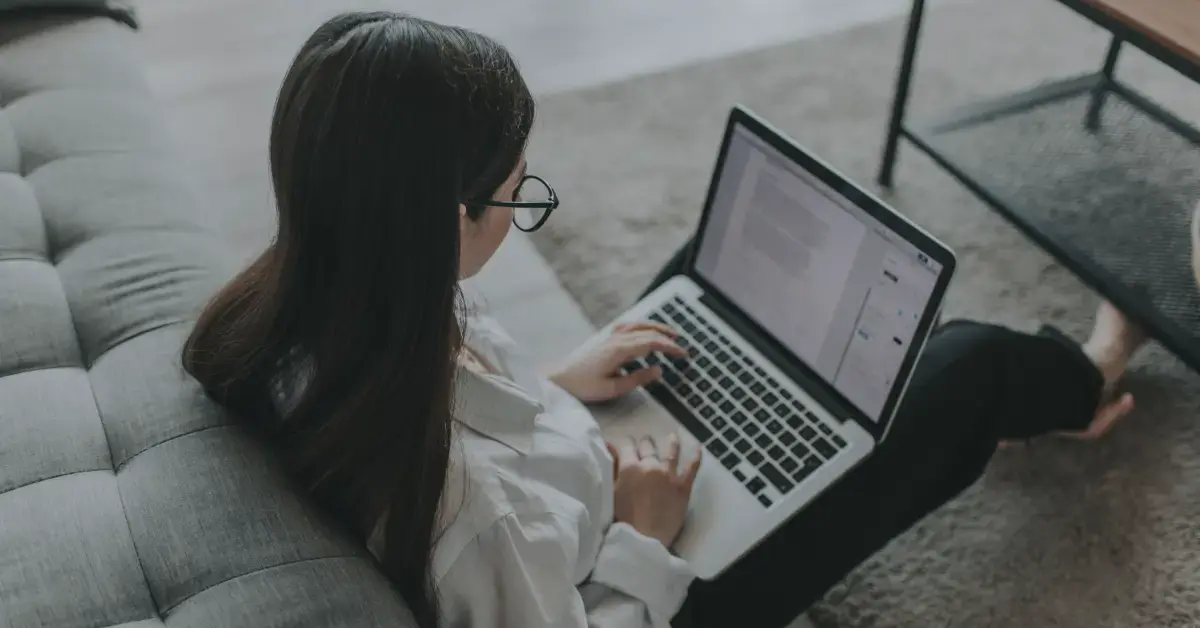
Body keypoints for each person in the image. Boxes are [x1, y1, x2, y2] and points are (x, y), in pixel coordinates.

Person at [181, 12, 1148, 628]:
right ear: (445, 221)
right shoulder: (475, 522)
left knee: (704, 285)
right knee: (967, 365)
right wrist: (647, 532)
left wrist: (556, 386)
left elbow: (453, 416)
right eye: (519, 201)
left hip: (575, 482)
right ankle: (1088, 375)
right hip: (661, 584)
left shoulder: (305, 309)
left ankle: (793, 378)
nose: (523, 213)